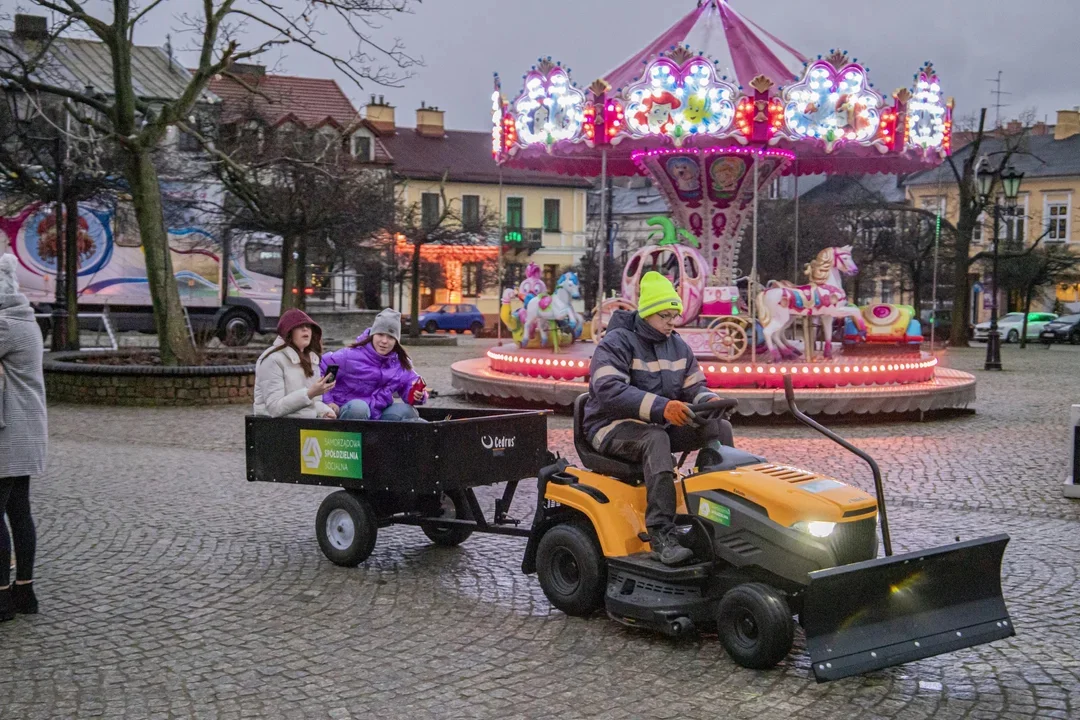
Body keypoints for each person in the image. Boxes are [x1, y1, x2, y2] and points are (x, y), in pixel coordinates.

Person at [582, 271, 734, 566]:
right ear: (648, 313)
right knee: (656, 438)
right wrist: (662, 408)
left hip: (656, 422)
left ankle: (718, 514)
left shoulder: (677, 345)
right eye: (665, 315)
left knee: (718, 427)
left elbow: (695, 387)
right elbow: (608, 390)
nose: (672, 322)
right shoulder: (615, 343)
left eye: (675, 315)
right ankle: (661, 533)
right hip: (607, 426)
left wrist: (708, 401)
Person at [0, 254, 46, 621]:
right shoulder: (26, 320)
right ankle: (25, 592)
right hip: (26, 432)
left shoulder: (5, 326)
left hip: (8, 434)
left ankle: (1, 599)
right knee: (20, 513)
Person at [320, 308, 428, 421]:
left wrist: (416, 395)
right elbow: (322, 368)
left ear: (396, 341)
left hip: (377, 413)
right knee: (359, 408)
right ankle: (351, 437)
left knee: (407, 411)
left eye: (390, 337)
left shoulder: (400, 363)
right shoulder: (348, 356)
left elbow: (410, 383)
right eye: (380, 334)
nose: (384, 341)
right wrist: (328, 401)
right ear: (373, 335)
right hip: (347, 410)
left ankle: (385, 438)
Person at [253, 309, 337, 419]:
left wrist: (324, 411)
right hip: (275, 427)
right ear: (288, 332)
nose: (305, 329)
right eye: (299, 326)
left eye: (308, 326)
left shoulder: (312, 359)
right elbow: (274, 408)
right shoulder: (273, 359)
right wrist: (310, 393)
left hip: (304, 426)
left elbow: (312, 403)